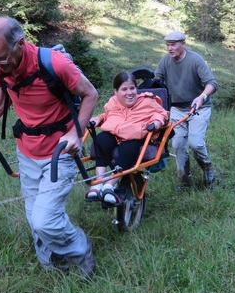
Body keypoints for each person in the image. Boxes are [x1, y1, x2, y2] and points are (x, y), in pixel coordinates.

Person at [0, 17, 99, 277]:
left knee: (45, 220)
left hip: (60, 151)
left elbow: (91, 94)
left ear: (20, 44)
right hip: (27, 150)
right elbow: (4, 91)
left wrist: (76, 135)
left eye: (0, 59)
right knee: (34, 220)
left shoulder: (54, 63)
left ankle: (80, 250)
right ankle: (53, 268)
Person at [86, 71, 169, 205]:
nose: (129, 93)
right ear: (115, 91)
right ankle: (97, 184)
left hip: (135, 134)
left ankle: (109, 185)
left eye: (132, 88)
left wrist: (157, 122)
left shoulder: (147, 101)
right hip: (115, 132)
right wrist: (99, 118)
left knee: (128, 148)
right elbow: (107, 115)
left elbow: (160, 114)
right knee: (101, 140)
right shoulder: (113, 102)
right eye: (124, 89)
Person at [154, 30, 218, 188]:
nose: (170, 48)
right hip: (176, 108)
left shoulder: (195, 60)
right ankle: (184, 180)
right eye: (167, 45)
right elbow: (155, 83)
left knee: (196, 143)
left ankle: (207, 168)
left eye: (173, 45)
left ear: (183, 44)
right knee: (178, 145)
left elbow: (212, 84)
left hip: (198, 107)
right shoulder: (165, 62)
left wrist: (202, 96)